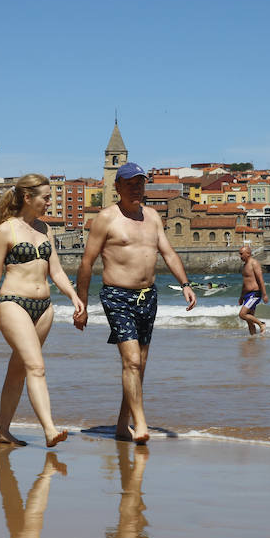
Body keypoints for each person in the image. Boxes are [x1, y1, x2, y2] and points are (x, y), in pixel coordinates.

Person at [74, 162, 197, 444]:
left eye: (140, 183)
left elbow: (168, 252)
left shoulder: (153, 217)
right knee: (130, 361)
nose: (136, 189)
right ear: (117, 187)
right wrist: (81, 305)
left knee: (139, 365)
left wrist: (186, 285)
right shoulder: (106, 218)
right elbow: (86, 263)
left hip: (148, 296)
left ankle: (122, 424)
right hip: (117, 295)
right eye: (130, 184)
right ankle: (140, 424)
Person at [0, 173, 83, 448]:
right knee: (36, 366)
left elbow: (57, 271)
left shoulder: (46, 229)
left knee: (19, 371)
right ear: (28, 197)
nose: (50, 202)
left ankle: (3, 431)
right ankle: (49, 429)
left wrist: (73, 295)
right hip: (14, 304)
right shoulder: (7, 230)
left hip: (44, 309)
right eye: (46, 197)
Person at [238, 245, 268, 335]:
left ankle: (261, 324)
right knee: (249, 320)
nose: (240, 256)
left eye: (241, 254)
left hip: (254, 294)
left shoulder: (254, 263)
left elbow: (260, 279)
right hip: (247, 295)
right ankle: (253, 339)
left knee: (242, 314)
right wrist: (241, 296)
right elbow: (245, 283)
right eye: (239, 254)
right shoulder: (244, 266)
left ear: (248, 254)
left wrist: (264, 294)